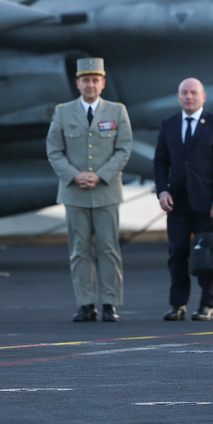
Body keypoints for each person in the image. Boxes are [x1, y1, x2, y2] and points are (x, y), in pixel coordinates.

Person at [46, 57, 133, 322]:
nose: (90, 85)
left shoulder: (117, 111)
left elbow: (124, 147)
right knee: (80, 250)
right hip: (75, 192)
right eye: (86, 80)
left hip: (106, 191)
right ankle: (85, 304)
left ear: (103, 83)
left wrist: (101, 175)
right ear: (77, 83)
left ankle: (109, 303)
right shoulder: (63, 112)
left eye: (95, 80)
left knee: (108, 248)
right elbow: (54, 150)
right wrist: (75, 176)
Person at [154, 78, 213, 322]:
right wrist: (162, 190)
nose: (189, 97)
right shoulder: (168, 124)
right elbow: (160, 161)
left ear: (203, 97)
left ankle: (207, 305)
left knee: (207, 254)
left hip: (207, 202)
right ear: (179, 96)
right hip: (176, 201)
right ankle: (178, 304)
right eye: (185, 93)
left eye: (193, 93)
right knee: (177, 252)